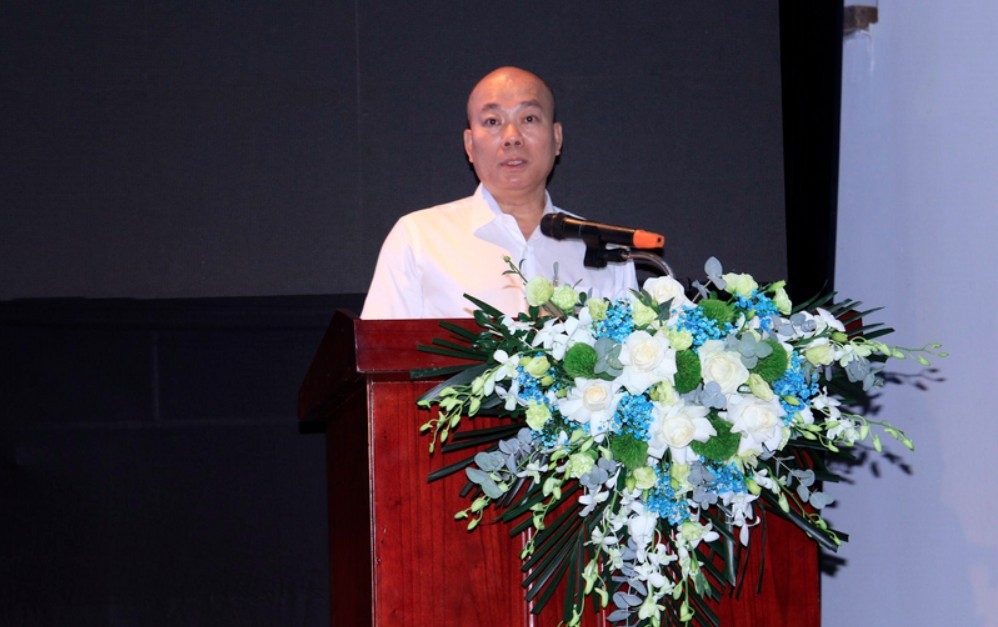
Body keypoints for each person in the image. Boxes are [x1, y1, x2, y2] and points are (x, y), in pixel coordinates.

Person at [360, 66, 638, 319]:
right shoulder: (418, 238)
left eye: (529, 118)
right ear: (470, 144)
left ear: (557, 138)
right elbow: (378, 358)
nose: (512, 137)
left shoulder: (602, 249)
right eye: (493, 121)